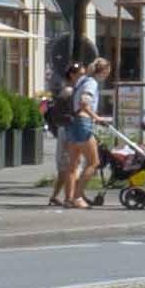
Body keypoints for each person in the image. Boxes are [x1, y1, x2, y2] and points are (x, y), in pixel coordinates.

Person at [56, 59, 110, 209]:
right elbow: (84, 103)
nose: (107, 76)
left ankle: (68, 198)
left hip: (72, 124)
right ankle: (78, 197)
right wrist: (96, 117)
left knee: (73, 164)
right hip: (83, 123)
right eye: (107, 73)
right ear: (103, 72)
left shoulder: (81, 81)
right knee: (94, 162)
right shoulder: (91, 83)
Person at [43, 64, 82, 206]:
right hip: (67, 130)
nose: (83, 77)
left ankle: (60, 196)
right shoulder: (70, 91)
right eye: (80, 74)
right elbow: (73, 112)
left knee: (68, 166)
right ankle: (72, 197)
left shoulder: (68, 90)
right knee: (70, 165)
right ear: (72, 75)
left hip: (65, 129)